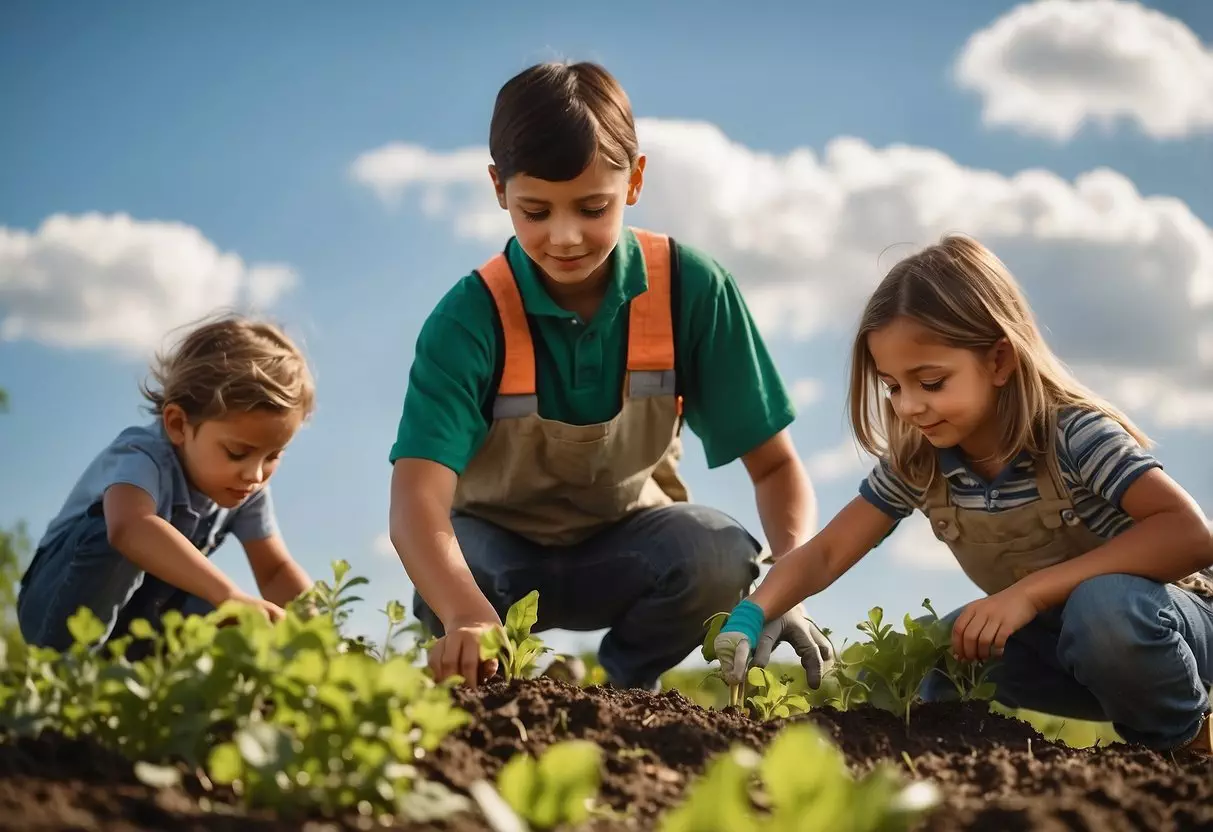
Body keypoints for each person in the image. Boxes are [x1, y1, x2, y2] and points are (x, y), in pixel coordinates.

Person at [387, 60, 835, 692]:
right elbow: (415, 502)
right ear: (498, 188)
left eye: (591, 208)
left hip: (629, 545)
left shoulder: (692, 289)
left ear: (635, 180)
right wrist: (463, 611)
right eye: (535, 210)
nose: (564, 237)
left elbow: (775, 467)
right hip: (497, 556)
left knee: (719, 554)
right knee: (452, 569)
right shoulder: (469, 318)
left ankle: (624, 691)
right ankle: (517, 685)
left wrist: (789, 582)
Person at [714, 234, 1213, 754]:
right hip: (1065, 652)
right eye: (892, 385)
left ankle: (1191, 744)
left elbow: (1191, 535)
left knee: (1105, 608)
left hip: (1167, 633)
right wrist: (754, 613)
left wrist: (1028, 593)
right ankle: (944, 770)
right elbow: (826, 552)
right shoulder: (919, 460)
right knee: (928, 656)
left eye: (930, 383)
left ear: (999, 361)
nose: (908, 406)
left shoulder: (1072, 435)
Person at [18, 313, 317, 652]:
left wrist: (320, 630)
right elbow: (129, 528)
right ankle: (63, 672)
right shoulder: (143, 455)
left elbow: (275, 570)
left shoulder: (247, 488)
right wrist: (229, 595)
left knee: (234, 624)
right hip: (59, 604)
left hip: (142, 615)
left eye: (273, 456)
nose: (255, 474)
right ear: (177, 425)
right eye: (237, 452)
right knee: (136, 543)